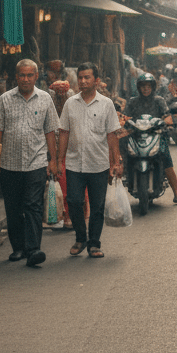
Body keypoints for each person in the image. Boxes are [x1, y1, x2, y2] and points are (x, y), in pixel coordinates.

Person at [0, 59, 59, 268]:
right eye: (22, 75)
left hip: (35, 162)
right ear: (15, 77)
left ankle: (33, 249)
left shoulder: (45, 99)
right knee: (13, 208)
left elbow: (50, 131)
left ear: (36, 76)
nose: (26, 79)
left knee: (33, 205)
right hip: (10, 163)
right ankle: (18, 247)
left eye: (30, 75)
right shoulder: (5, 99)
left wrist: (53, 160)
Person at [57, 62, 124, 259]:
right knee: (74, 201)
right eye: (80, 78)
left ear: (96, 81)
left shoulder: (106, 104)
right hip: (74, 163)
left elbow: (112, 134)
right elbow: (64, 133)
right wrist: (58, 161)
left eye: (87, 78)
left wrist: (115, 162)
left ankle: (94, 243)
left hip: (99, 163)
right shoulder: (70, 104)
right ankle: (80, 237)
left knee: (97, 206)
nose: (83, 81)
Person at [124, 73, 177, 204]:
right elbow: (126, 117)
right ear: (139, 88)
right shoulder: (132, 101)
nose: (146, 89)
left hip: (156, 135)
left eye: (148, 86)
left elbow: (166, 115)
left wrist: (168, 124)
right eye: (143, 86)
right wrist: (124, 123)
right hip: (136, 136)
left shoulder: (159, 100)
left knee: (166, 159)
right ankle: (125, 177)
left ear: (153, 87)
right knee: (124, 155)